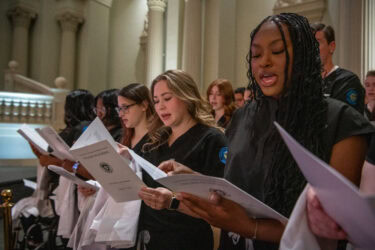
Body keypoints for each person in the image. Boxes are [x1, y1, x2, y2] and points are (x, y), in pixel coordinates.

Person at [158, 13, 374, 250]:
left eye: (278, 51)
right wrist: (196, 180)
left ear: (303, 55)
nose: (264, 62)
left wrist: (251, 227)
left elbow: (337, 229)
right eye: (256, 54)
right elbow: (238, 189)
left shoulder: (341, 122)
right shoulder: (243, 116)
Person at [137, 69, 228, 250]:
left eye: (167, 98)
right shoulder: (156, 141)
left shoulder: (211, 139)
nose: (161, 106)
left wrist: (172, 201)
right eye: (156, 101)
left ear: (186, 96)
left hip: (187, 239)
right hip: (150, 238)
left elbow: (220, 204)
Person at [311, 23, 365, 113]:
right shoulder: (303, 81)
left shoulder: (347, 81)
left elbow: (347, 121)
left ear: (331, 46)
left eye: (317, 43)